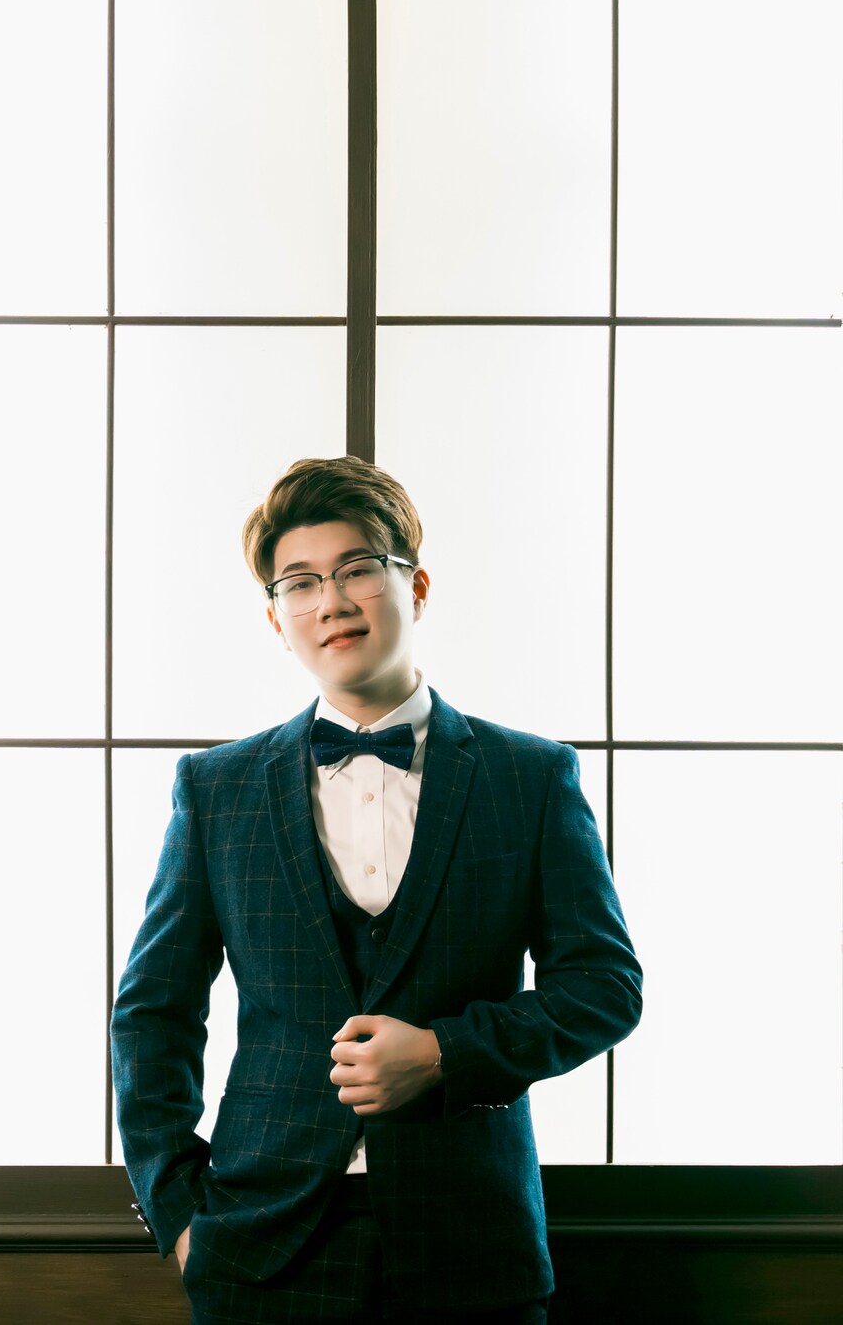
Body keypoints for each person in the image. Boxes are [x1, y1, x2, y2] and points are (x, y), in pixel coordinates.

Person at [111, 455, 642, 1324]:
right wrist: (177, 1214)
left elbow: (604, 988)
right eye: (300, 583)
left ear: (416, 587)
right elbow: (152, 1012)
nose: (331, 601)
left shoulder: (531, 776)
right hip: (259, 1247)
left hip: (472, 1243)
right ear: (276, 618)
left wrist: (443, 1054)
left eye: (357, 569)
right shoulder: (216, 788)